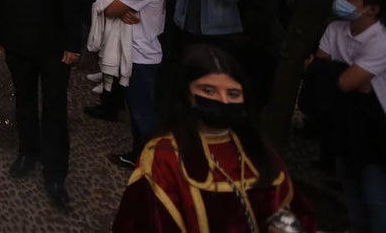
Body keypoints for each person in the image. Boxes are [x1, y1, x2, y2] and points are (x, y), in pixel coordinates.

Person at [111, 44, 316, 232]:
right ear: (186, 94)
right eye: (208, 91)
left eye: (233, 94)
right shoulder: (164, 157)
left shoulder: (258, 150)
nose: (223, 100)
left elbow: (297, 215)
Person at [0, 0, 82, 209]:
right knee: (24, 101)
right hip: (17, 47)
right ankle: (28, 152)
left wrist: (73, 44)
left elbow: (70, 3)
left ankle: (56, 173)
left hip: (53, 48)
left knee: (54, 108)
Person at [314, 0, 386, 233]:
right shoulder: (334, 29)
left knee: (378, 196)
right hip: (345, 122)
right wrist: (346, 77)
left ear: (372, 9)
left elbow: (341, 82)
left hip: (379, 129)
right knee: (351, 188)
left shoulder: (384, 45)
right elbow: (322, 73)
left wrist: (332, 73)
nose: (341, 2)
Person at [102, 0, 167, 167]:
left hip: (143, 56)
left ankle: (147, 163)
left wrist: (113, 5)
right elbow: (115, 0)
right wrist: (114, 4)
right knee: (137, 111)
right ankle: (139, 155)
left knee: (143, 113)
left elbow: (110, 8)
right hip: (133, 52)